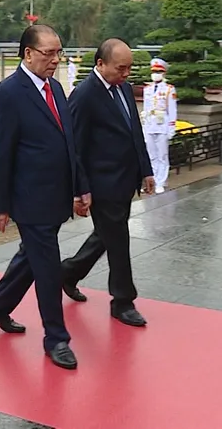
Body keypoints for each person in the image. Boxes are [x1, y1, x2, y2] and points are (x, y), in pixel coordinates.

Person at [0, 24, 90, 370]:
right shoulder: (8, 94)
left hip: (56, 195)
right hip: (29, 199)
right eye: (49, 53)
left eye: (59, 52)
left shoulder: (55, 88)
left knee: (32, 257)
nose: (55, 60)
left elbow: (68, 143)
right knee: (46, 268)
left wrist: (80, 186)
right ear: (28, 54)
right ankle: (56, 339)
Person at [60, 38, 154, 328]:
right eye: (121, 68)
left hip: (125, 179)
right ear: (100, 64)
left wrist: (146, 171)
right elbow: (74, 147)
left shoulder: (124, 88)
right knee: (118, 240)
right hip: (102, 183)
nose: (126, 74)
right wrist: (80, 188)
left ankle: (67, 273)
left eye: (129, 68)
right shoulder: (85, 95)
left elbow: (133, 131)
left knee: (107, 234)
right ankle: (123, 301)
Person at [140, 58, 177, 194]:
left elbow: (172, 110)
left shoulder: (169, 89)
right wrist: (144, 128)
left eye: (158, 71)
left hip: (162, 125)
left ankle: (161, 181)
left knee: (162, 155)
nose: (156, 74)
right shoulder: (147, 89)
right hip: (150, 125)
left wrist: (171, 128)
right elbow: (145, 109)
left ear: (164, 73)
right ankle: (153, 181)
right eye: (154, 71)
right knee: (151, 155)